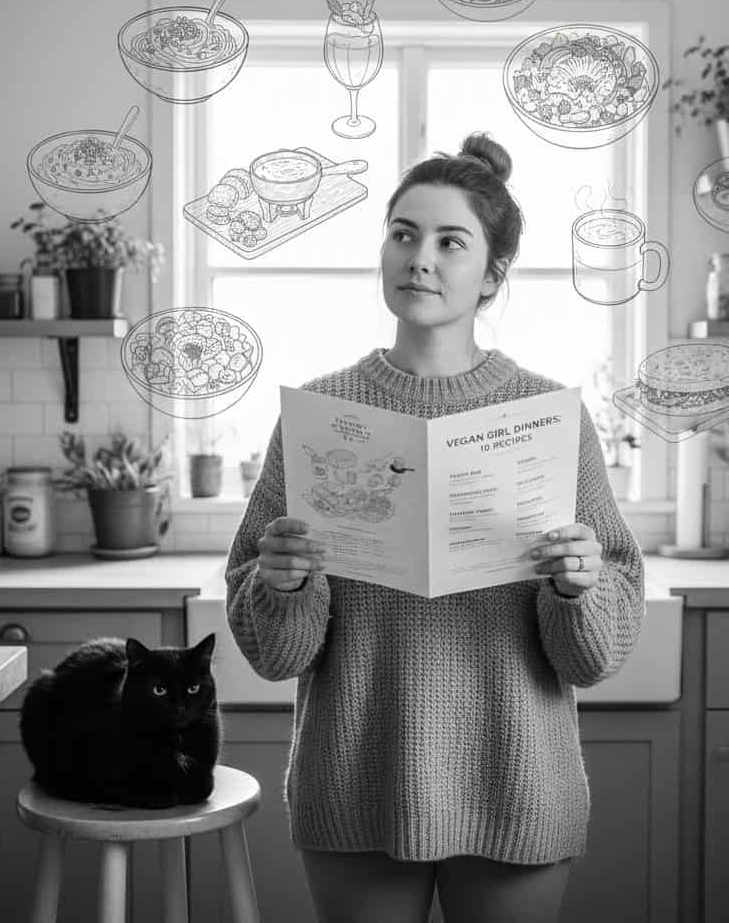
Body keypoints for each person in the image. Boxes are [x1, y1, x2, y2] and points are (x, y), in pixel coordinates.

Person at [225, 131, 646, 923]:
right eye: (403, 234)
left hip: (516, 779)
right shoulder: (320, 417)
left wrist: (579, 586)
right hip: (356, 780)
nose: (420, 258)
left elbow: (596, 655)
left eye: (451, 242)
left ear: (491, 275)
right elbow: (274, 653)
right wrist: (279, 584)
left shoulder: (550, 417)